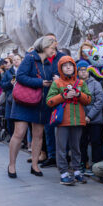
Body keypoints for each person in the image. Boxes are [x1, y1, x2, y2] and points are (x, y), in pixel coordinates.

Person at [7, 36, 56, 178]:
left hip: (40, 103)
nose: (54, 50)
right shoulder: (29, 58)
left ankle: (35, 165)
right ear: (45, 47)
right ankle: (12, 165)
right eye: (52, 47)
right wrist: (40, 82)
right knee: (19, 133)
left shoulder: (48, 63)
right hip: (24, 101)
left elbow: (48, 80)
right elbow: (20, 77)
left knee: (38, 135)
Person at [46, 56, 91, 185]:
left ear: (74, 68)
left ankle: (77, 171)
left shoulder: (81, 83)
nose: (68, 67)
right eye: (65, 66)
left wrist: (79, 94)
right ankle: (64, 172)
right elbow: (49, 101)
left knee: (76, 147)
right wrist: (63, 96)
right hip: (62, 121)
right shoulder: (57, 83)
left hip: (77, 120)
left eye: (70, 65)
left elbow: (88, 99)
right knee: (61, 148)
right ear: (60, 68)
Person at [42, 33, 66, 168]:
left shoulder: (62, 57)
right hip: (46, 96)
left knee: (61, 128)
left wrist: (59, 80)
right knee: (48, 128)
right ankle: (51, 155)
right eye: (48, 41)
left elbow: (71, 74)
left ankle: (62, 156)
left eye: (53, 41)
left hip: (61, 97)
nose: (51, 43)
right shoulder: (42, 58)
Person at [77, 60, 103, 175]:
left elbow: (99, 101)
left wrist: (89, 116)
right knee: (81, 142)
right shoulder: (76, 84)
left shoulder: (95, 83)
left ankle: (96, 165)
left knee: (95, 142)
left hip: (95, 119)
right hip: (80, 119)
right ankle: (83, 163)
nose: (83, 72)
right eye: (81, 70)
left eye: (85, 70)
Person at [0, 54, 23, 137]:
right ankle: (12, 136)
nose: (16, 61)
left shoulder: (24, 71)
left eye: (18, 59)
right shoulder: (8, 72)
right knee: (10, 118)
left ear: (21, 60)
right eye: (14, 60)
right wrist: (10, 83)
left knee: (20, 119)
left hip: (22, 98)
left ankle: (21, 139)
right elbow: (2, 84)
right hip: (10, 98)